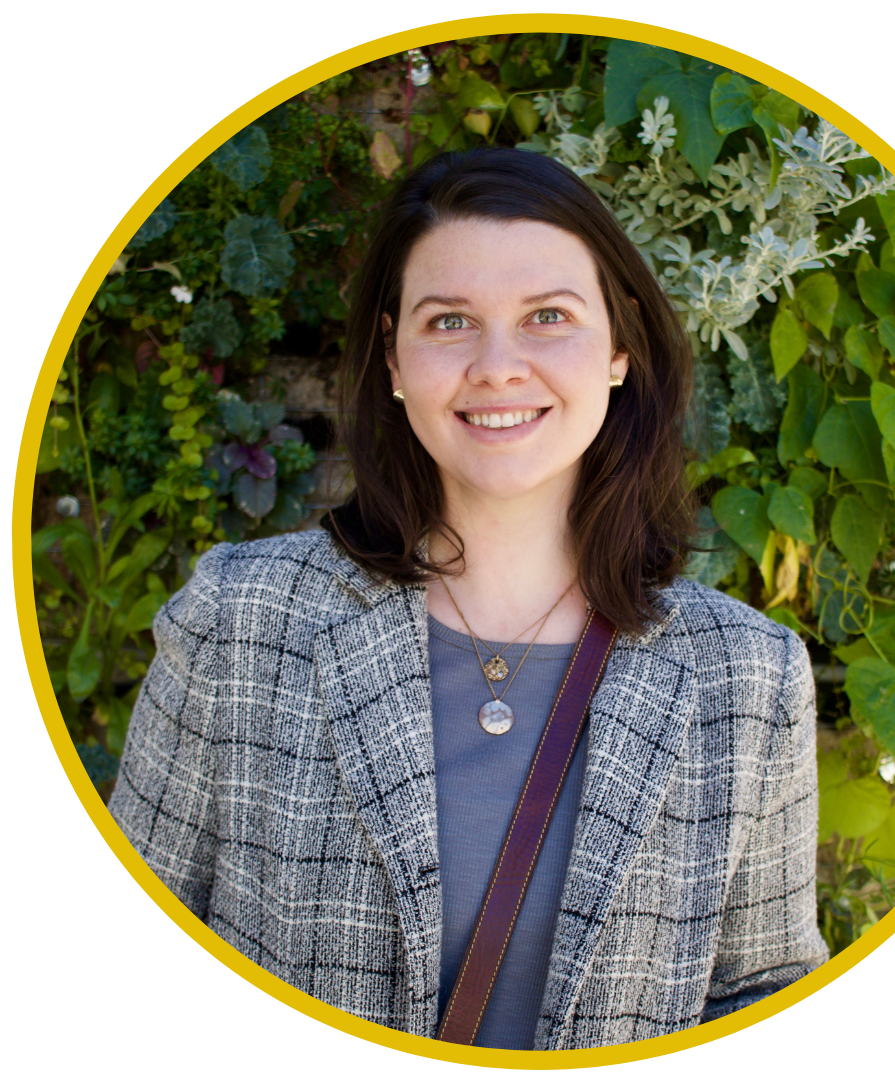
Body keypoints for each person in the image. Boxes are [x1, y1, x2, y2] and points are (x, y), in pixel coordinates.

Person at [109, 147, 828, 1051]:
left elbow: (765, 993)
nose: (498, 366)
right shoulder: (241, 623)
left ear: (618, 347)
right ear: (393, 356)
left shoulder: (748, 676)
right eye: (450, 321)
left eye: (547, 317)